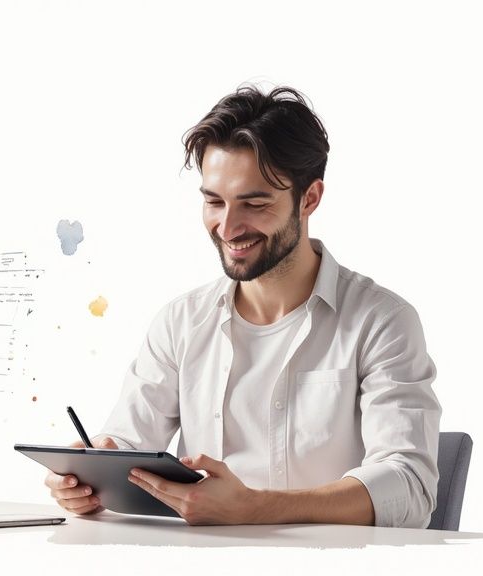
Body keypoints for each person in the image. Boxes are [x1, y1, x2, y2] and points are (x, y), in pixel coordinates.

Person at [44, 84, 441, 529]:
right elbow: (127, 442)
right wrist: (90, 476)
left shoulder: (382, 322)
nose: (228, 227)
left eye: (253, 203)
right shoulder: (181, 321)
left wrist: (257, 507)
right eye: (214, 201)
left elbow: (410, 489)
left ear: (309, 198)